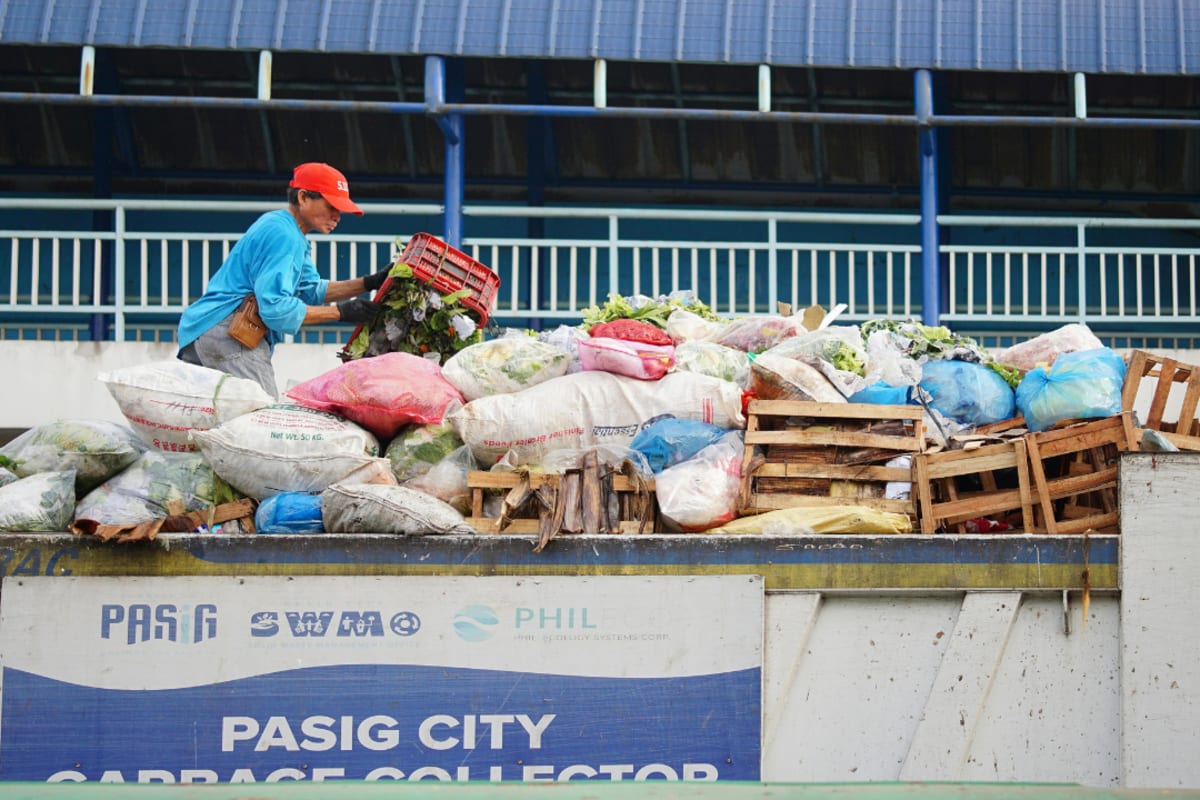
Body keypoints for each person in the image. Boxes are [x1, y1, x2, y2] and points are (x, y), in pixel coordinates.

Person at [177, 162, 390, 397]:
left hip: (203, 330)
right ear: (303, 197)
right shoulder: (284, 236)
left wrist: (368, 283)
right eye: (331, 206)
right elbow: (275, 309)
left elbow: (311, 289)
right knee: (263, 418)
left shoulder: (285, 228)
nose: (337, 216)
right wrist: (340, 313)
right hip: (228, 333)